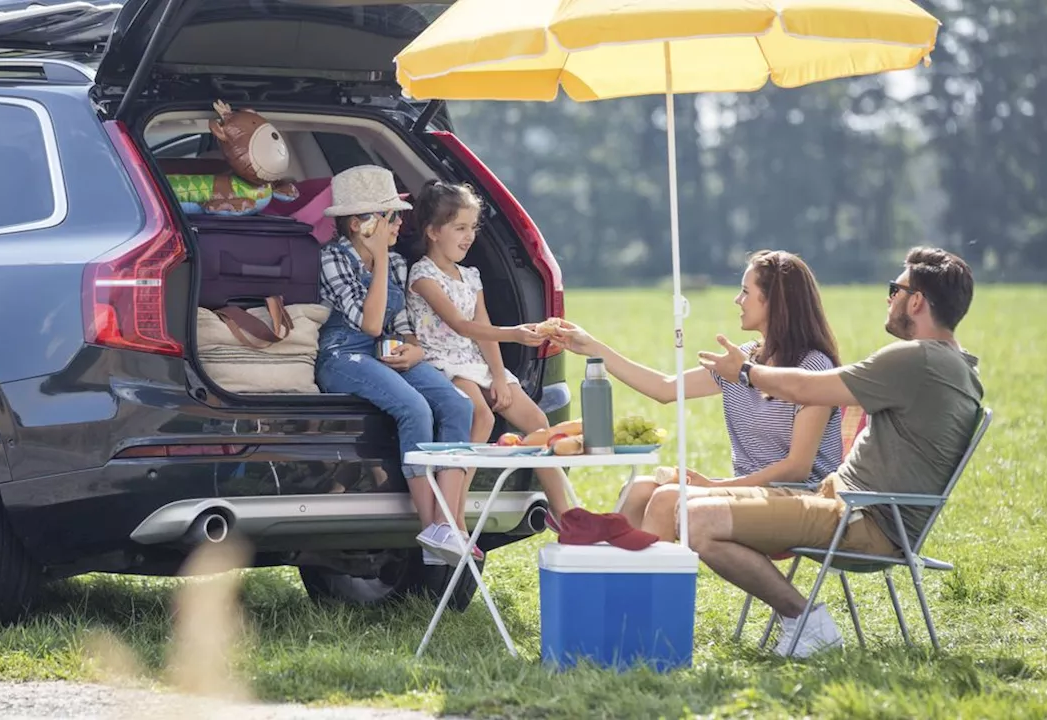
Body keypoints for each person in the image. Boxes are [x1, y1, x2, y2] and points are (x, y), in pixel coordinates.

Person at [693, 247, 983, 658]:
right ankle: (803, 621)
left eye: (894, 289)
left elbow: (806, 389)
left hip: (860, 521)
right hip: (846, 505)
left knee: (696, 518)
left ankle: (805, 620)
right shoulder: (955, 366)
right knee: (686, 505)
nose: (889, 298)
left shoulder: (916, 360)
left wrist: (743, 371)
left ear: (916, 300)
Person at [551, 250, 843, 533]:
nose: (737, 300)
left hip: (802, 499)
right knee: (639, 489)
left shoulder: (813, 367)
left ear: (775, 302)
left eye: (745, 291)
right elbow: (665, 388)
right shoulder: (741, 361)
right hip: (747, 491)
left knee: (667, 499)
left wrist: (714, 488)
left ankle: (657, 582)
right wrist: (592, 347)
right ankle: (612, 576)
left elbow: (797, 469)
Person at [314, 165, 475, 568]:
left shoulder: (401, 263)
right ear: (358, 224)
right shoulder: (333, 258)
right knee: (415, 409)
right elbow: (367, 323)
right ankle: (430, 530)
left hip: (388, 349)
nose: (399, 224)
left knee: (458, 407)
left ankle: (447, 522)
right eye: (390, 217)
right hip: (342, 354)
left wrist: (415, 351)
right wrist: (381, 261)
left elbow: (401, 327)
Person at [405, 180, 574, 527]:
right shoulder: (423, 275)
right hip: (442, 362)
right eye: (460, 228)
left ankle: (566, 514)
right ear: (434, 231)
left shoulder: (471, 275)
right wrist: (514, 333)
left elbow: (483, 331)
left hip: (475, 362)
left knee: (538, 423)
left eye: (473, 227)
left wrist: (498, 375)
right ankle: (454, 513)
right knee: (479, 415)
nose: (469, 236)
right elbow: (460, 325)